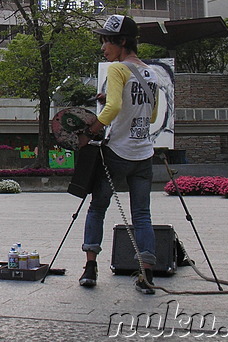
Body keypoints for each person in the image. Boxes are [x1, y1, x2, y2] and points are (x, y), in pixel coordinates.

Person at [79, 15, 160, 295]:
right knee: (142, 215)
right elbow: (152, 115)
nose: (103, 48)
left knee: (97, 208)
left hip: (116, 152)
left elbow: (112, 108)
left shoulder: (116, 70)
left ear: (121, 41)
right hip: (143, 154)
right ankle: (146, 274)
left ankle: (90, 268)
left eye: (106, 41)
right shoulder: (152, 73)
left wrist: (92, 129)